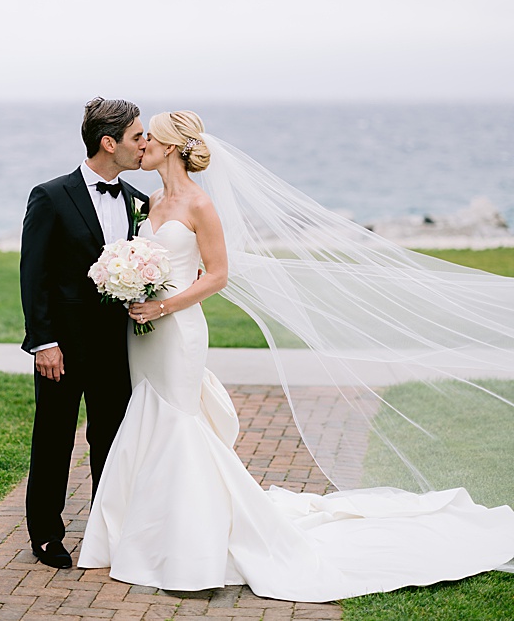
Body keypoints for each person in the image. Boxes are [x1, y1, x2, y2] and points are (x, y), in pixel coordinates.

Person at [77, 111, 514, 601]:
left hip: (177, 330)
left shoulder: (200, 204)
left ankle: (190, 549)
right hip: (145, 335)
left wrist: (164, 303)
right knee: (150, 420)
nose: (144, 144)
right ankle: (146, 535)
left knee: (179, 424)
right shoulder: (151, 201)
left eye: (151, 137)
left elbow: (217, 275)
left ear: (173, 147)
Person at [19, 98, 150, 568]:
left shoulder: (138, 202)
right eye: (138, 136)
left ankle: (104, 529)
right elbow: (33, 276)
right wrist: (44, 342)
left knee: (110, 438)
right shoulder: (50, 196)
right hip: (63, 347)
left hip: (118, 347)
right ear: (108, 142)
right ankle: (46, 535)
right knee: (54, 438)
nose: (145, 144)